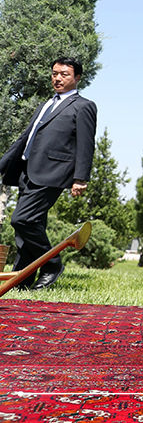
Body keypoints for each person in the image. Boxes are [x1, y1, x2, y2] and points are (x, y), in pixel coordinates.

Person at [0, 57, 96, 290]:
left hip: (53, 172)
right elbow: (26, 138)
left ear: (77, 78)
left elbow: (86, 144)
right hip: (27, 170)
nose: (58, 78)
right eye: (54, 73)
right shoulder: (45, 104)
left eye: (64, 74)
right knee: (27, 231)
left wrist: (80, 178)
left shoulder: (83, 106)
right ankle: (21, 282)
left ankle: (52, 264)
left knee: (23, 220)